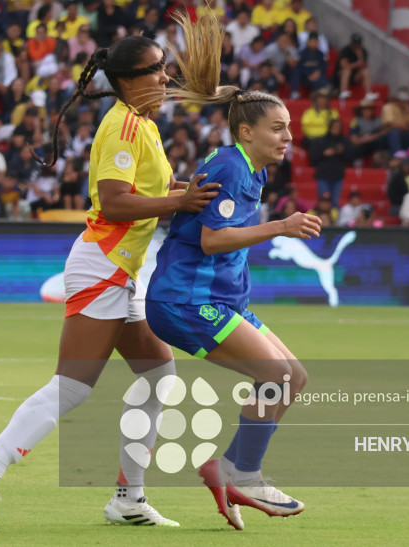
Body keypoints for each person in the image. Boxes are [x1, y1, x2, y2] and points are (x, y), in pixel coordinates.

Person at [0, 31, 220, 531]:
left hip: (119, 270)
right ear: (127, 81)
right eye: (156, 69)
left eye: (164, 66)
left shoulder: (143, 124)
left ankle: (128, 499)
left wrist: (200, 192)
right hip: (103, 267)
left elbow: (159, 189)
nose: (166, 77)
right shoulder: (121, 127)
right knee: (71, 387)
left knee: (159, 376)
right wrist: (179, 202)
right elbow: (115, 202)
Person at [145, 13, 316, 531]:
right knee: (277, 377)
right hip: (186, 300)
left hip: (218, 300)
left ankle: (232, 469)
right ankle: (242, 472)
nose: (288, 136)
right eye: (278, 128)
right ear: (246, 131)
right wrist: (281, 226)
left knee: (293, 377)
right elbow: (211, 239)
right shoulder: (231, 166)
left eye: (288, 127)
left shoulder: (248, 168)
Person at [309, 118, 350, 208]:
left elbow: (350, 156)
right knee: (324, 201)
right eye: (334, 126)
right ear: (330, 127)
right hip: (323, 175)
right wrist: (324, 153)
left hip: (337, 176)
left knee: (335, 202)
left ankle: (334, 217)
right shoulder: (321, 141)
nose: (336, 128)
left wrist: (341, 151)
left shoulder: (344, 142)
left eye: (338, 127)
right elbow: (313, 157)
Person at [334, 33, 378, 101]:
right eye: (355, 45)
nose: (356, 47)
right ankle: (343, 92)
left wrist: (360, 57)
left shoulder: (363, 51)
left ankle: (369, 93)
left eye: (358, 45)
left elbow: (365, 65)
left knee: (365, 71)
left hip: (355, 77)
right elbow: (344, 65)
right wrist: (356, 64)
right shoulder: (345, 51)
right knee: (346, 71)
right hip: (342, 76)